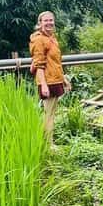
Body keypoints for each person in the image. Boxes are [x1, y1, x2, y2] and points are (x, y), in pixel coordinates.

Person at [29, 11, 71, 149]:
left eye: (51, 20)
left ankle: (49, 142)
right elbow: (39, 64)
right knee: (48, 115)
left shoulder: (52, 38)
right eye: (45, 20)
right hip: (48, 82)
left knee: (52, 113)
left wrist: (63, 78)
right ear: (40, 23)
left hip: (55, 79)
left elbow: (56, 62)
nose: (49, 23)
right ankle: (48, 144)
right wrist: (44, 85)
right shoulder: (39, 39)